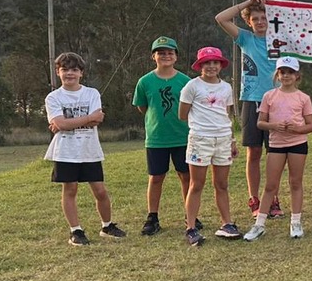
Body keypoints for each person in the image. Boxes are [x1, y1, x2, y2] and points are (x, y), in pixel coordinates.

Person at [45, 51, 125, 246]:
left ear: (81, 73)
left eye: (74, 70)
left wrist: (67, 123)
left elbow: (97, 120)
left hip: (90, 150)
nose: (69, 73)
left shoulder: (92, 93)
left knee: (100, 190)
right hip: (66, 152)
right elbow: (61, 123)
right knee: (70, 189)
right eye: (65, 69)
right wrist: (86, 119)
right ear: (58, 72)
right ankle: (76, 230)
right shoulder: (53, 97)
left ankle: (107, 226)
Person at [215, 0, 280, 219]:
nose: (261, 22)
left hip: (276, 101)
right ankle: (254, 199)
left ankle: (273, 199)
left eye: (264, 18)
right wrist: (247, 4)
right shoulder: (245, 38)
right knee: (254, 152)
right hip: (252, 100)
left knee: (274, 154)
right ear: (248, 21)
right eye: (256, 18)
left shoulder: (280, 40)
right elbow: (221, 18)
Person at [244, 57, 312, 241]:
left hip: (298, 143)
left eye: (290, 72)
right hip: (276, 144)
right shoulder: (269, 96)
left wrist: (297, 129)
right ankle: (259, 224)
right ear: (277, 74)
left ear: (297, 75)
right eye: (283, 72)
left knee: (295, 182)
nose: (286, 76)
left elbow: (310, 125)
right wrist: (274, 126)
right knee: (270, 185)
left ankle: (296, 222)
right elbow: (260, 123)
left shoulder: (303, 98)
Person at [178, 46, 241, 246]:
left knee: (221, 184)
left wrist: (232, 140)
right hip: (200, 139)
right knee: (197, 184)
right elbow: (182, 114)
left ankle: (227, 224)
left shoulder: (226, 87)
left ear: (221, 65)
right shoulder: (192, 86)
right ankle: (191, 227)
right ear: (200, 66)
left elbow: (227, 114)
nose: (211, 66)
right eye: (207, 63)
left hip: (223, 139)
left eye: (215, 62)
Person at [132, 36, 191, 236]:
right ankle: (153, 217)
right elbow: (142, 107)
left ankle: (190, 214)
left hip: (182, 136)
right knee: (156, 177)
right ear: (153, 56)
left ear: (176, 56)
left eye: (169, 52)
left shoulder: (185, 81)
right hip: (157, 138)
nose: (166, 56)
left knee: (186, 175)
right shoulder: (145, 81)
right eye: (161, 52)